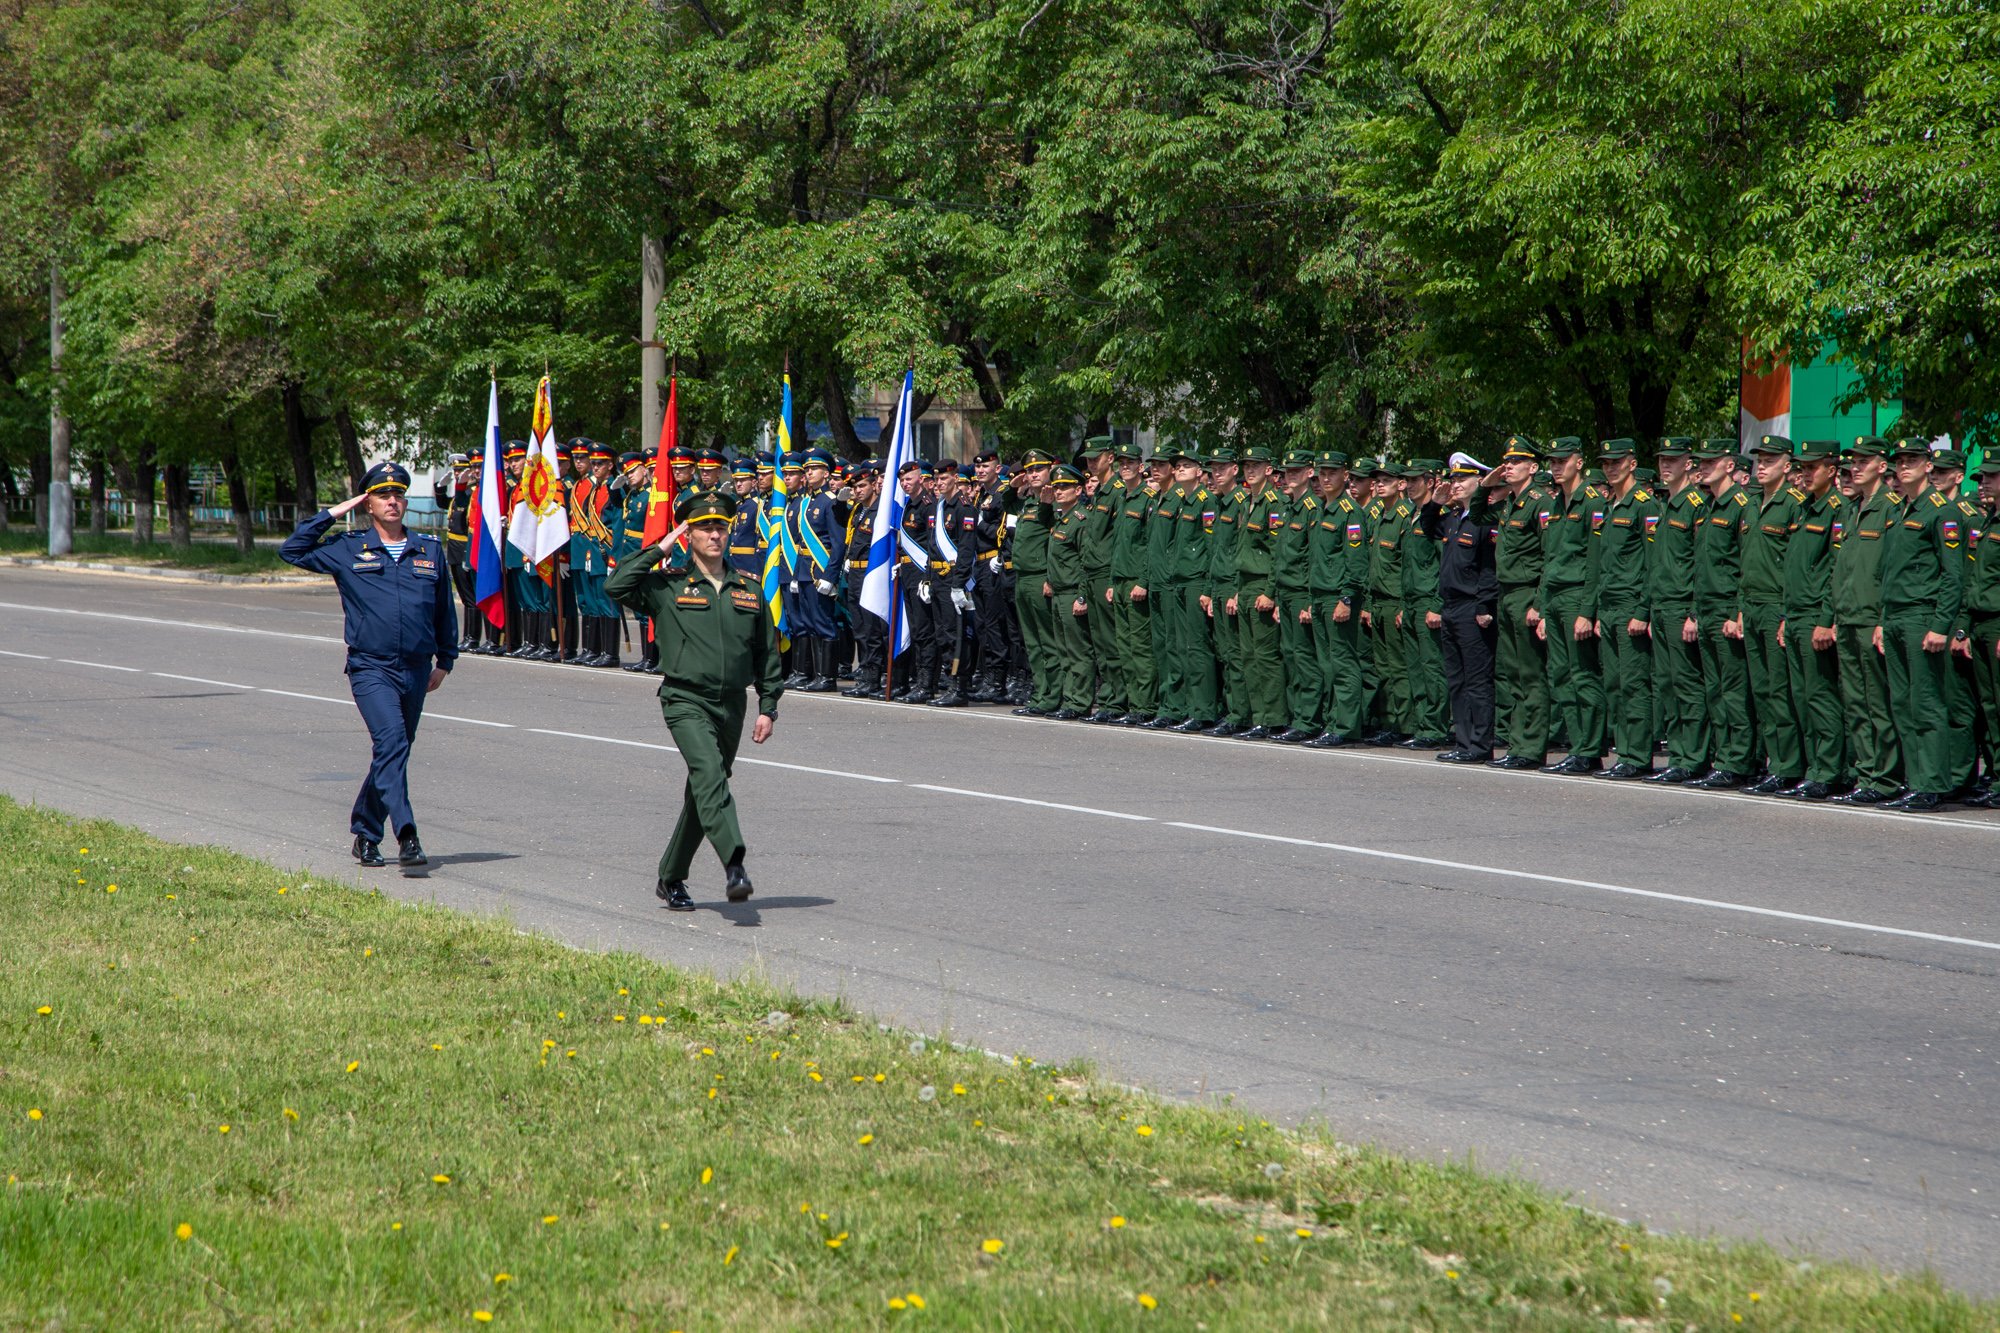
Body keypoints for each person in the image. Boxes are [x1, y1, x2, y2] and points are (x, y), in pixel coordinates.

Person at [605, 489, 785, 908]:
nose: (714, 535)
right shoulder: (668, 587)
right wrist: (660, 547)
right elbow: (616, 584)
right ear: (689, 536)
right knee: (710, 776)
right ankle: (735, 862)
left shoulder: (749, 590)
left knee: (702, 793)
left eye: (720, 527)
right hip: (685, 699)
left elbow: (767, 653)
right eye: (703, 528)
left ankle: (670, 877)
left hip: (733, 705)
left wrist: (769, 707)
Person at [279, 462, 457, 869]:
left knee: (393, 753)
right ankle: (407, 835)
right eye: (381, 495)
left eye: (397, 495)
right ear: (368, 504)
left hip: (415, 668)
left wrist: (446, 660)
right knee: (392, 744)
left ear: (405, 502)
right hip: (371, 667)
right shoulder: (349, 548)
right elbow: (291, 550)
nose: (391, 501)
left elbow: (444, 610)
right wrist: (335, 512)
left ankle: (365, 833)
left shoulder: (427, 550)